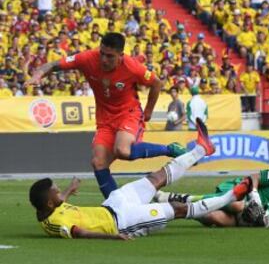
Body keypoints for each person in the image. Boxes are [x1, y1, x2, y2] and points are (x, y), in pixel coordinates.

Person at [24, 33, 187, 199]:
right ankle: (117, 205)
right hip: (105, 120)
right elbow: (53, 65)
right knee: (98, 162)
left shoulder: (132, 67)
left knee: (122, 150)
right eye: (102, 53)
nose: (103, 59)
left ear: (120, 56)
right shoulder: (87, 58)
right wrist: (38, 75)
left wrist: (148, 111)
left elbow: (157, 83)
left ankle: (169, 149)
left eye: (110, 56)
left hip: (128, 113)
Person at [29, 119, 252, 239]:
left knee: (155, 179)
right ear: (49, 202)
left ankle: (202, 149)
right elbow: (79, 232)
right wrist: (114, 237)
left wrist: (67, 190)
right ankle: (233, 195)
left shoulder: (49, 206)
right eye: (57, 192)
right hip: (123, 222)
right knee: (177, 208)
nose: (60, 193)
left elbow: (59, 204)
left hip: (113, 203)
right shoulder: (56, 223)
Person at [155, 169, 269, 227]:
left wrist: (264, 220)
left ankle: (172, 209)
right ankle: (183, 198)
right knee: (236, 204)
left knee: (213, 217)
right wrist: (255, 196)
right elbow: (254, 177)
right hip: (242, 191)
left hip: (248, 219)